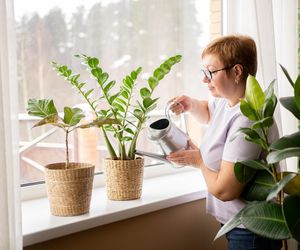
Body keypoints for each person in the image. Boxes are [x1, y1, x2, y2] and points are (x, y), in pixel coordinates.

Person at [166, 35, 281, 250]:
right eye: (204, 72)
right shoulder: (226, 103)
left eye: (211, 72)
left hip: (251, 231)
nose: (204, 79)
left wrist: (199, 161)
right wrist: (190, 105)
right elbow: (209, 111)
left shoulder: (249, 118)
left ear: (236, 72)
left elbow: (225, 191)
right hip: (236, 225)